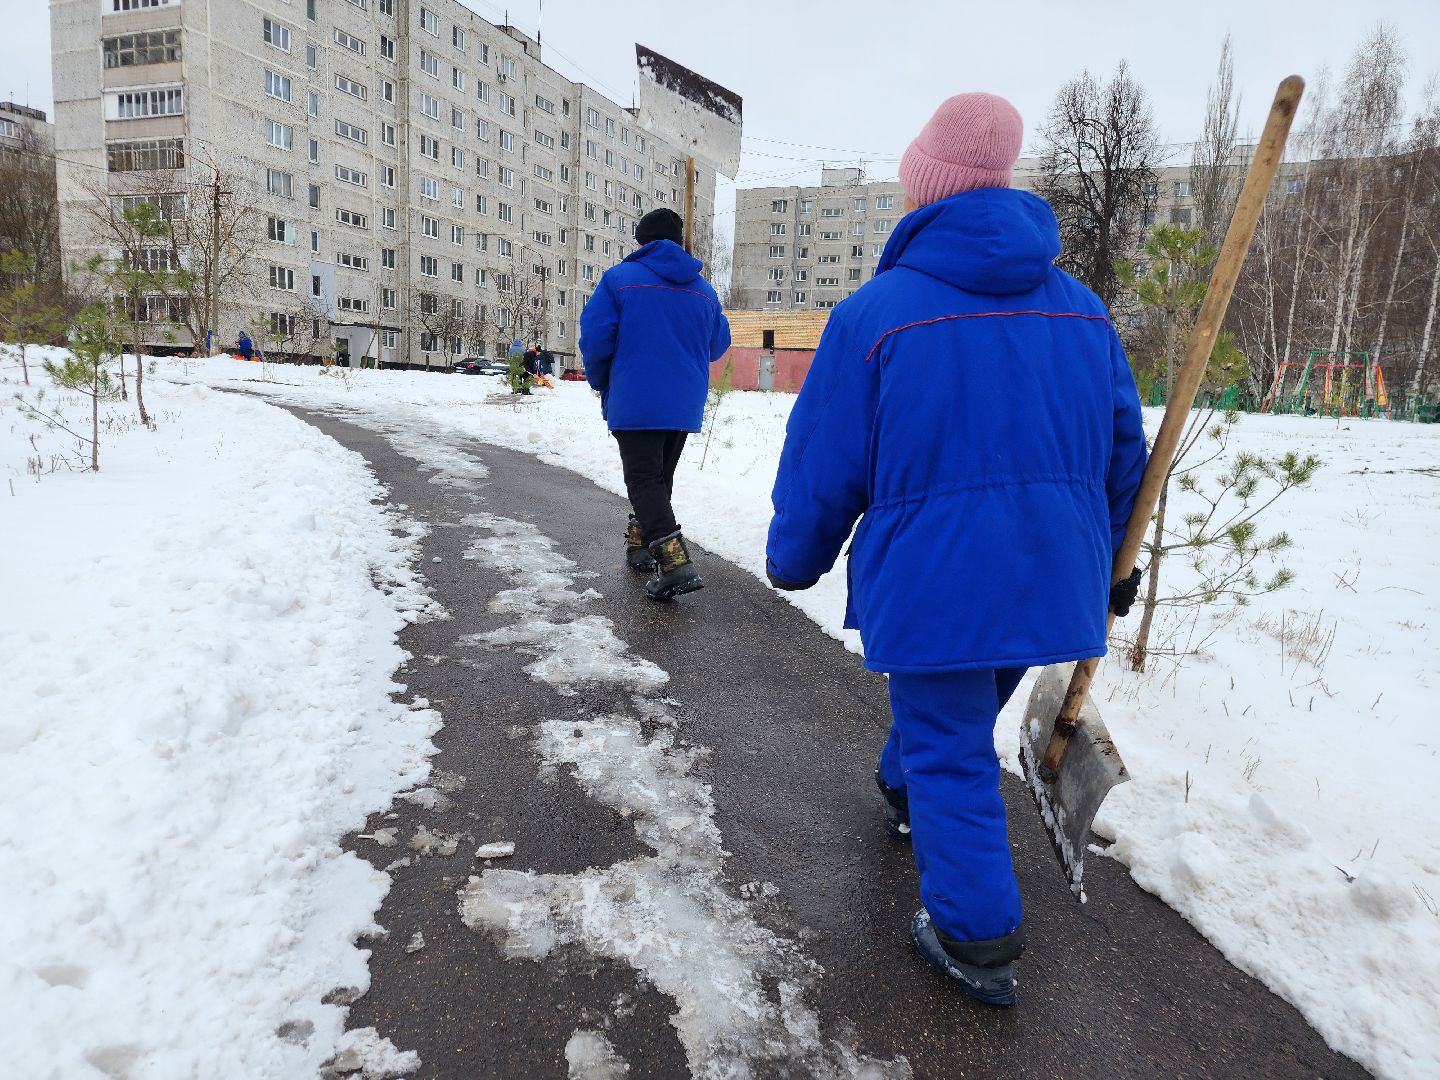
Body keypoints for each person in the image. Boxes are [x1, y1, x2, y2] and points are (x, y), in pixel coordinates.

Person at [764, 93, 1147, 1006]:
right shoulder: (1085, 313)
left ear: (924, 192)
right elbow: (1124, 450)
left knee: (947, 744)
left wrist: (793, 556)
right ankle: (907, 791)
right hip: (1052, 580)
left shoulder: (877, 315)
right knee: (954, 714)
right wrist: (1115, 567)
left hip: (939, 584)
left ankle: (976, 937)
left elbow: (825, 462)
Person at [579, 207, 731, 601]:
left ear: (640, 243)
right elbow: (718, 345)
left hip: (636, 397)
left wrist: (600, 380)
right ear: (680, 242)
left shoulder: (620, 280)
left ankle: (673, 561)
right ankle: (640, 544)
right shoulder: (705, 290)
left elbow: (596, 339)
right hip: (683, 401)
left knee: (644, 479)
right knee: (658, 478)